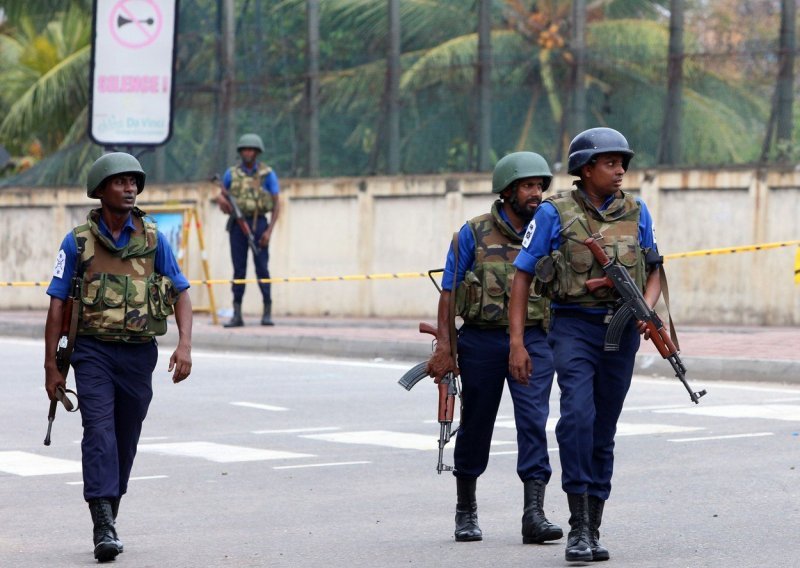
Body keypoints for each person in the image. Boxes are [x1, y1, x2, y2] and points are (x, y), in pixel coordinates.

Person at [508, 127, 662, 562]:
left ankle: (594, 525)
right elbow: (522, 275)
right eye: (610, 163)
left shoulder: (637, 211)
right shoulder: (554, 214)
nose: (619, 171)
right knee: (578, 415)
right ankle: (577, 526)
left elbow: (654, 270)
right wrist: (517, 342)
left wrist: (646, 311)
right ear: (586, 168)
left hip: (623, 327)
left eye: (622, 164)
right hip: (573, 325)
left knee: (604, 426)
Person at [44, 152, 193, 563]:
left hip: (138, 354)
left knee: (125, 438)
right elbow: (57, 306)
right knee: (99, 431)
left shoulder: (152, 238)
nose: (129, 188)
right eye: (120, 181)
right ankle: (102, 521)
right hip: (91, 351)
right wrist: (51, 367)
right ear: (101, 189)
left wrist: (185, 345)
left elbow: (180, 291)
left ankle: (111, 510)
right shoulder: (76, 242)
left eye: (134, 182)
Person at [425, 152, 562, 545]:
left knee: (534, 420)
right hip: (482, 339)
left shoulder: (550, 229)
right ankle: (465, 510)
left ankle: (534, 514)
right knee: (477, 424)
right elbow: (448, 293)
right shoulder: (473, 233)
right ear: (507, 192)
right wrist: (445, 348)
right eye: (527, 186)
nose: (536, 194)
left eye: (539, 186)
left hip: (534, 337)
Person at [215, 133, 280, 327]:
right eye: (245, 149)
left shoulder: (267, 174)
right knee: (239, 270)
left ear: (257, 152)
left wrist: (269, 231)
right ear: (241, 152)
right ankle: (237, 313)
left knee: (262, 268)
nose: (248, 152)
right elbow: (222, 198)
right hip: (237, 226)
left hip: (259, 223)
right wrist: (222, 201)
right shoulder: (231, 174)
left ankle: (267, 311)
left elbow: (277, 204)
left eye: (251, 150)